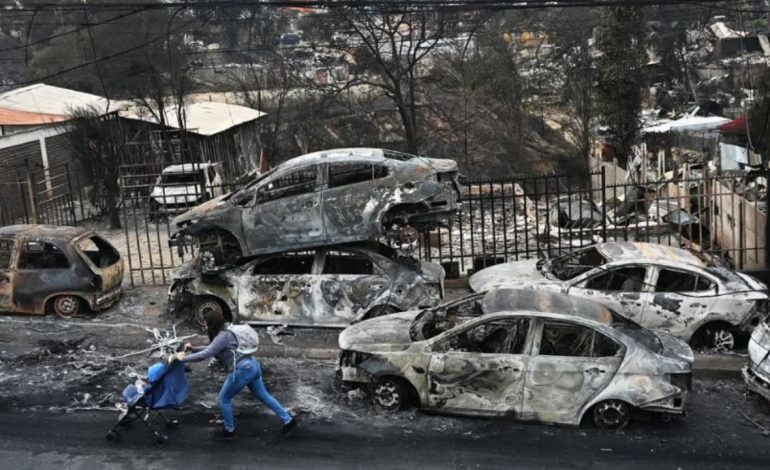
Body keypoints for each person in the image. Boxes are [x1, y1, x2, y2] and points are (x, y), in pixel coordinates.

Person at [177, 310, 297, 441]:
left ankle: (230, 431)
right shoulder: (226, 332)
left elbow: (206, 354)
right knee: (264, 396)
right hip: (252, 366)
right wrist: (193, 349)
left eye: (206, 324)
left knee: (224, 398)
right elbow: (211, 348)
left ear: (212, 323)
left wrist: (183, 359)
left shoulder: (223, 336)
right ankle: (289, 421)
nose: (205, 327)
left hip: (243, 370)